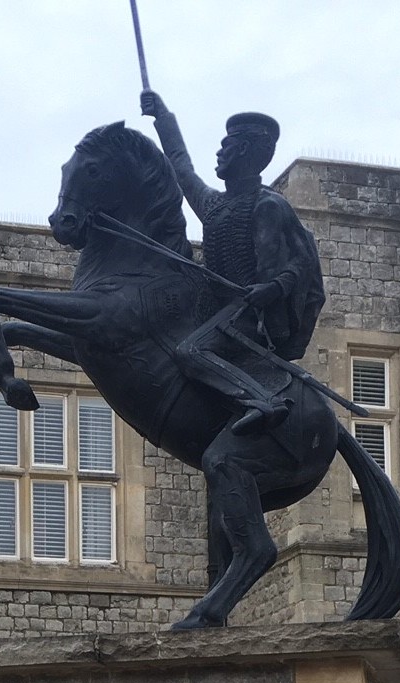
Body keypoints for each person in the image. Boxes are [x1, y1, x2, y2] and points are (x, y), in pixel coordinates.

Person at [140, 90, 326, 435]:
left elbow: (298, 266)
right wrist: (162, 119)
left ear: (243, 151)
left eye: (226, 146)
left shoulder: (267, 206)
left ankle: (263, 402)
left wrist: (269, 290)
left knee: (189, 351)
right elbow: (182, 169)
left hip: (246, 321)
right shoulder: (214, 205)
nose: (219, 152)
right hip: (213, 311)